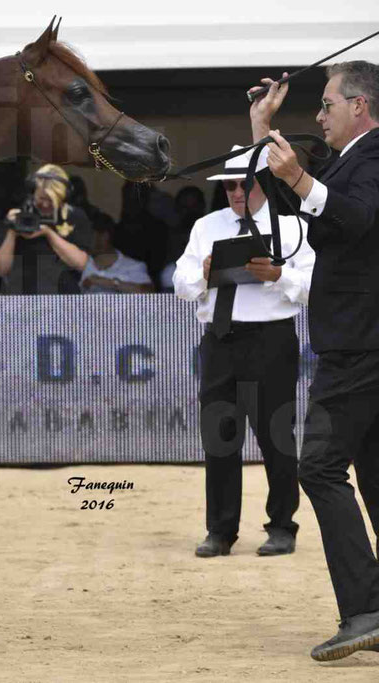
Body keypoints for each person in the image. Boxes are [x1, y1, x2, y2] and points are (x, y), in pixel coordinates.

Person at [250, 60, 379, 661]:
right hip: (359, 342)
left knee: (320, 467)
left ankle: (365, 609)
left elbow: (352, 218)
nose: (319, 114)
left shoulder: (374, 155)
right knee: (374, 478)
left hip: (359, 345)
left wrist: (302, 180)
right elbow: (302, 199)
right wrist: (260, 131)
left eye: (327, 103)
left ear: (361, 106)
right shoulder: (354, 160)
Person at [173, 144, 315, 560]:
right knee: (219, 438)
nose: (236, 192)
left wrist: (278, 274)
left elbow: (312, 288)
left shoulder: (292, 228)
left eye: (243, 184)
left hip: (271, 339)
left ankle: (282, 526)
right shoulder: (206, 226)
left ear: (261, 184)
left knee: (276, 436)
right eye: (230, 185)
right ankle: (220, 530)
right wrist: (200, 274)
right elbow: (180, 283)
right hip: (220, 339)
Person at [0, 164, 93, 294]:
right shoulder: (20, 216)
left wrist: (48, 233)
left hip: (64, 299)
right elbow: (0, 269)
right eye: (41, 198)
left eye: (51, 200)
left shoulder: (74, 216)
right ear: (33, 193)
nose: (45, 204)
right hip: (23, 299)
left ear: (63, 197)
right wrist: (12, 231)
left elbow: (81, 263)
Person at [35, 216, 154, 293]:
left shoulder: (133, 266)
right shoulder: (81, 265)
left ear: (105, 236)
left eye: (89, 236)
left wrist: (107, 282)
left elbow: (148, 292)